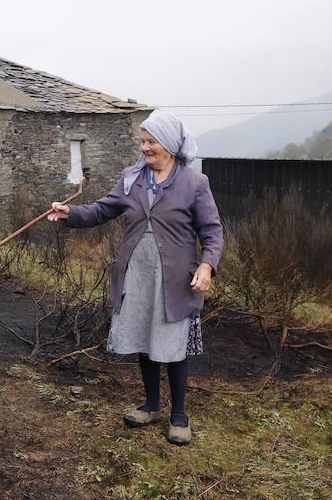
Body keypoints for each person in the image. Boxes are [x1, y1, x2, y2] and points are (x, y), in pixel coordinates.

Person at [47, 110, 223, 445]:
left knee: (172, 345)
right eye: (142, 141)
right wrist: (72, 213)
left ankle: (179, 415)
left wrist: (206, 266)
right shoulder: (132, 178)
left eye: (150, 141)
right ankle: (152, 405)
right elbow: (102, 210)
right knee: (145, 339)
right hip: (137, 275)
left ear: (169, 144)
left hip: (174, 281)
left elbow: (212, 232)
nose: (144, 147)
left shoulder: (194, 183)